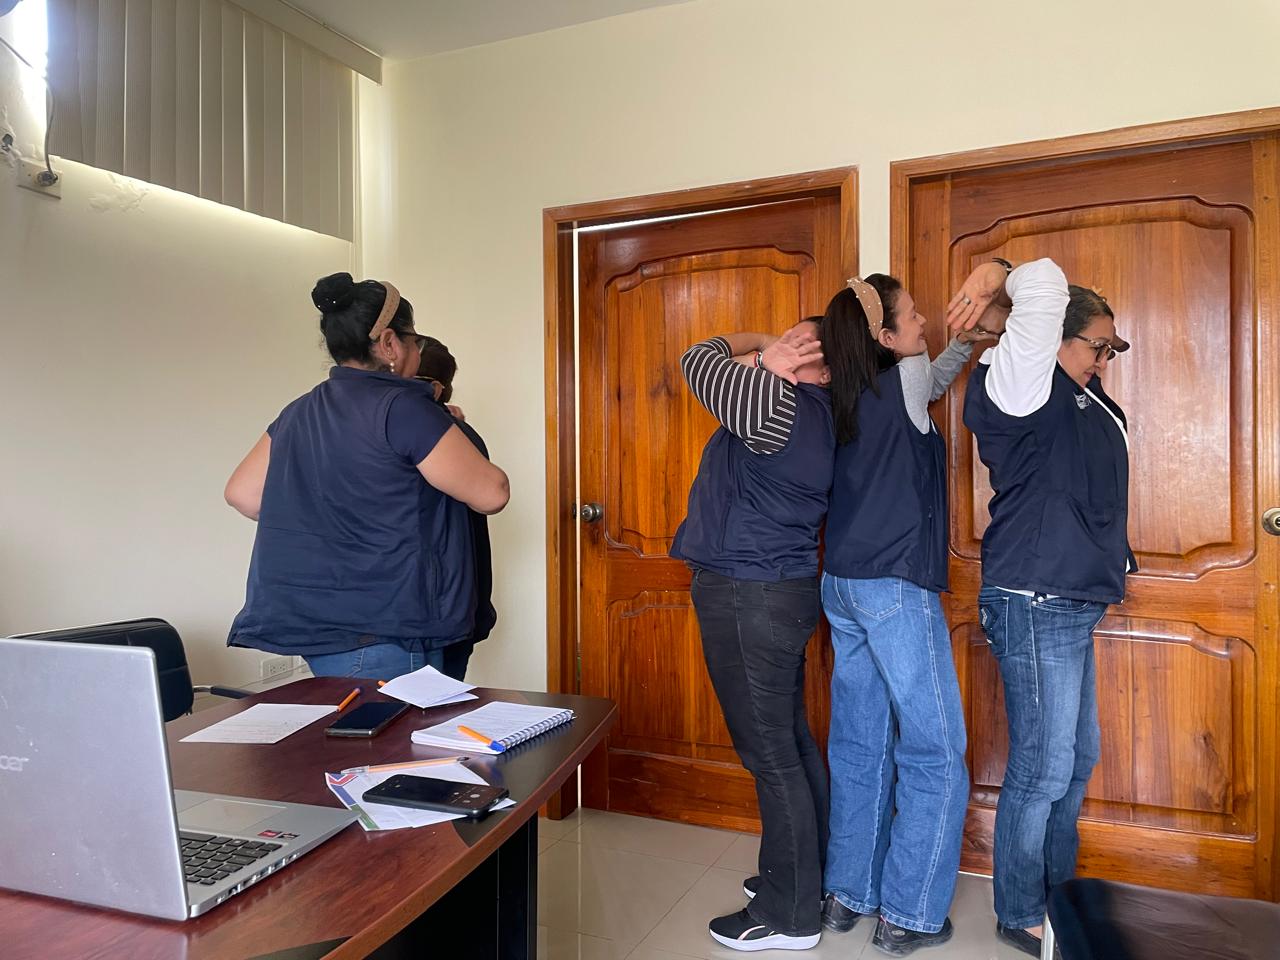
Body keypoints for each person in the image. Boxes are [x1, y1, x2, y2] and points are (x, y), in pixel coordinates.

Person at [950, 258, 1133, 957]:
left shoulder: (1081, 394)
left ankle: (1060, 892)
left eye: (1113, 349)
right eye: (1097, 345)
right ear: (1053, 338)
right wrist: (993, 276)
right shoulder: (1021, 382)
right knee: (1044, 765)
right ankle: (1021, 908)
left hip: (1073, 596)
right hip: (1035, 594)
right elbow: (1047, 280)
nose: (1105, 360)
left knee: (1076, 759)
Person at [224, 273, 510, 681]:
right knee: (402, 726)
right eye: (414, 340)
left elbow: (243, 494)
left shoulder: (300, 410)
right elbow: (492, 493)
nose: (415, 350)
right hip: (389, 628)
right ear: (390, 343)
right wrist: (448, 426)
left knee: (359, 724)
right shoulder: (402, 407)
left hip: (322, 628)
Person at [819, 276, 989, 955]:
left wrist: (965, 348)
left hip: (842, 583)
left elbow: (928, 382)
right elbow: (924, 380)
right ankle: (909, 914)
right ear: (886, 337)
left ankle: (847, 896)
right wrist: (972, 340)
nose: (925, 324)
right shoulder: (905, 381)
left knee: (859, 743)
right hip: (893, 585)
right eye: (913, 317)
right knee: (933, 747)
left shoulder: (842, 391)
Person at [671, 315, 847, 952]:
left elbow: (697, 358)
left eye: (798, 342)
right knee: (789, 742)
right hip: (775, 589)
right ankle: (804, 878)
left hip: (749, 592)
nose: (781, 346)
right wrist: (771, 360)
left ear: (822, 366)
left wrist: (755, 345)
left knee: (770, 755)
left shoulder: (777, 406)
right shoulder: (811, 411)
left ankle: (789, 915)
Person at [413, 336, 496, 681]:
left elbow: (494, 494)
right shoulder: (455, 432)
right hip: (452, 607)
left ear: (434, 389)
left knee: (428, 705)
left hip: (438, 611)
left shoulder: (444, 437)